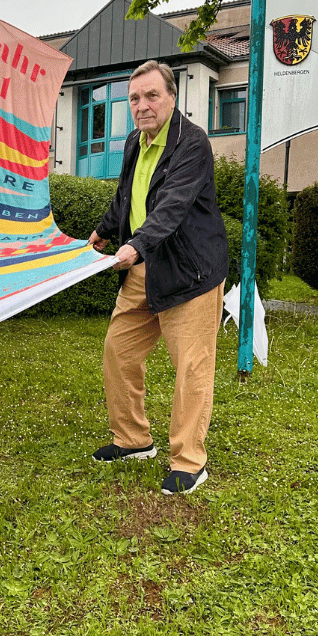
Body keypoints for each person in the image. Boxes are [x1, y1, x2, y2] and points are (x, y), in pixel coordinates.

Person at [83, 60, 230, 495]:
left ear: (171, 97)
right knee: (119, 349)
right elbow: (127, 198)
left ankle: (189, 462)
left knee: (191, 366)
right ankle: (133, 441)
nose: (142, 106)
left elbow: (171, 207)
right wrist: (100, 235)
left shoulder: (193, 144)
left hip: (189, 272)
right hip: (146, 266)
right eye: (134, 98)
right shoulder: (134, 142)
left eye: (151, 96)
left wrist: (134, 248)